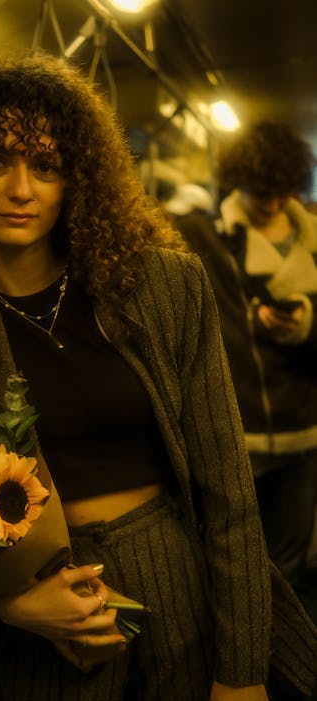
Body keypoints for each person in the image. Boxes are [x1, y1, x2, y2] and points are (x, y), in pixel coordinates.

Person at [0, 55, 317, 701]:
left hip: (171, 572)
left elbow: (228, 491)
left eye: (47, 164)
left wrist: (242, 668)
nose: (21, 188)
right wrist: (3, 604)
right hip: (35, 604)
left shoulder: (163, 285)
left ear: (79, 177)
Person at [176, 122, 317, 594]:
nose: (272, 203)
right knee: (232, 561)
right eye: (261, 191)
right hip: (238, 431)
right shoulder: (212, 237)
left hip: (303, 428)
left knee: (289, 564)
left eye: (281, 192)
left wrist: (305, 321)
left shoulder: (311, 239)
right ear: (240, 181)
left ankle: (285, 663)